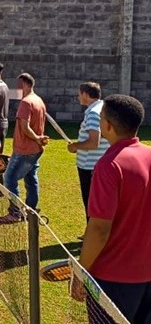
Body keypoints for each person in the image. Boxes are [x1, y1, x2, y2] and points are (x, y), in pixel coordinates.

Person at [72, 95, 151, 324]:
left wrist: (81, 271)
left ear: (108, 125)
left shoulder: (109, 165)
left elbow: (99, 229)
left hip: (114, 278)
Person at [0, 73, 48, 223]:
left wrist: (36, 138)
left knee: (9, 179)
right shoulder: (38, 100)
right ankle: (31, 211)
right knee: (31, 179)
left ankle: (16, 213)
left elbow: (25, 127)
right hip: (35, 149)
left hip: (24, 150)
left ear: (24, 84)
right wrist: (38, 139)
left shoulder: (26, 102)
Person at [65, 82, 109, 226]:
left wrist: (75, 146)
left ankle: (92, 233)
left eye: (79, 94)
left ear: (85, 94)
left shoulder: (93, 113)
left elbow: (93, 142)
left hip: (90, 166)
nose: (78, 97)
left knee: (91, 202)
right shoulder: (103, 108)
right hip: (97, 164)